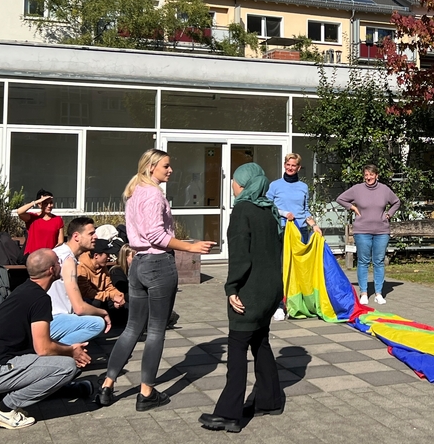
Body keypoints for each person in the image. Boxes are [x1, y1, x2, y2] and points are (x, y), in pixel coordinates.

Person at [98, 149, 215, 411]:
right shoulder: (152, 194)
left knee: (132, 328)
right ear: (151, 167)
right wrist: (190, 247)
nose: (170, 170)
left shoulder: (135, 192)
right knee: (155, 331)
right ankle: (146, 392)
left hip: (138, 263)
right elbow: (156, 236)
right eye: (166, 166)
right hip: (157, 263)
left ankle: (107, 385)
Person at [199, 163, 285, 433]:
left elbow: (240, 256)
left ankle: (229, 414)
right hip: (271, 289)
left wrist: (231, 287)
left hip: (250, 290)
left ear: (244, 185)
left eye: (235, 182)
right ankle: (270, 400)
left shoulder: (242, 211)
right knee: (260, 341)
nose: (232, 186)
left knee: (237, 348)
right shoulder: (269, 210)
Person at [0, 249, 91, 429]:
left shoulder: (25, 289)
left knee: (55, 360)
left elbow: (41, 343)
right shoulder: (39, 299)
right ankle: (4, 409)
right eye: (58, 262)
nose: (61, 265)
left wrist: (69, 348)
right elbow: (43, 348)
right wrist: (72, 351)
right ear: (51, 270)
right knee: (67, 367)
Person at [336, 164, 401, 305]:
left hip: (381, 231)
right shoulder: (357, 189)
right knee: (363, 261)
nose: (368, 177)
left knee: (378, 261)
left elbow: (396, 202)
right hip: (362, 231)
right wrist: (352, 207)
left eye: (371, 175)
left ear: (377, 175)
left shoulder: (384, 189)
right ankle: (364, 293)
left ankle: (378, 293)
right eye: (366, 175)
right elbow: (340, 199)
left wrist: (389, 214)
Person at [48, 217, 109, 344]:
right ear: (76, 236)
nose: (95, 237)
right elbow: (79, 308)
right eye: (91, 233)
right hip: (53, 320)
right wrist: (103, 312)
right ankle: (59, 350)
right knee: (97, 323)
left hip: (45, 317)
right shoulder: (67, 260)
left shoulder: (58, 253)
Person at [267, 153, 322, 242]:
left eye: (293, 165)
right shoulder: (274, 185)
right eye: (288, 164)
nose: (290, 168)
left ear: (298, 168)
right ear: (284, 165)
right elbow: (268, 206)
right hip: (282, 228)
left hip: (301, 228)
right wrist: (284, 213)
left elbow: (305, 210)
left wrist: (314, 225)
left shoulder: (303, 187)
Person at [77, 239, 126, 315]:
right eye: (107, 254)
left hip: (101, 296)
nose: (109, 257)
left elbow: (108, 286)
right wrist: (111, 296)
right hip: (87, 301)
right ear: (96, 255)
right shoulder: (81, 268)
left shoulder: (102, 266)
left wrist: (118, 295)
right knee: (97, 302)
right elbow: (87, 293)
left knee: (122, 304)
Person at [16, 189, 65, 255]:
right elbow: (19, 212)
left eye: (51, 203)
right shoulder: (32, 218)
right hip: (33, 256)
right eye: (45, 203)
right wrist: (36, 202)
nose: (49, 206)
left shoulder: (58, 220)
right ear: (39, 204)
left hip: (49, 256)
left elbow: (60, 242)